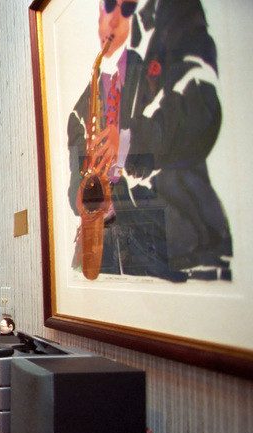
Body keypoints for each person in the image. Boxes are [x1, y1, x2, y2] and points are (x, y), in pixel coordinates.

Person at [67, 0, 231, 282]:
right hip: (113, 256)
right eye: (109, 7)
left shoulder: (163, 59)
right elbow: (74, 191)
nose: (116, 20)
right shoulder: (82, 108)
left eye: (127, 9)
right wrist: (91, 195)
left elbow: (202, 109)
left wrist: (129, 141)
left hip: (180, 245)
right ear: (99, 15)